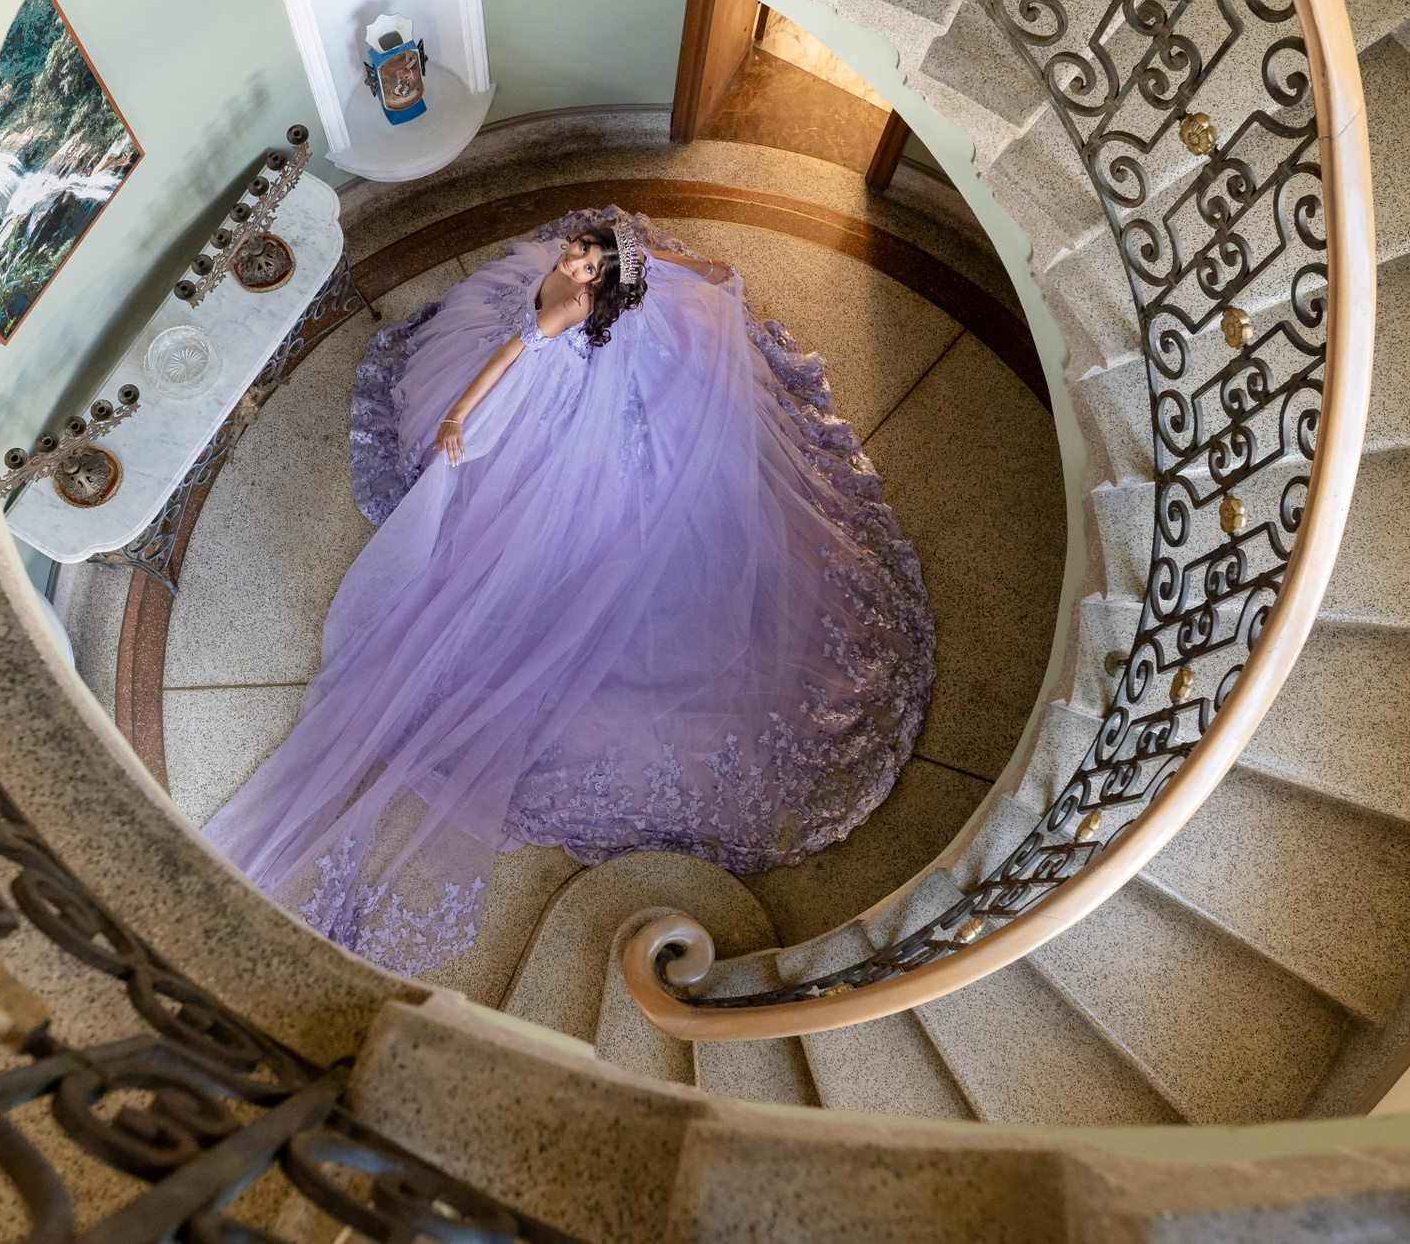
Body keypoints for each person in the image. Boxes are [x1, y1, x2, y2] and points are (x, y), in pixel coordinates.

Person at [204, 206, 935, 976]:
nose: (577, 259)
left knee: (554, 516)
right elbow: (654, 267)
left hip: (542, 388)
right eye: (583, 252)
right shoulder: (600, 269)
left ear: (597, 285)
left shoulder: (565, 308)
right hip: (572, 367)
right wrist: (703, 274)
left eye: (588, 264)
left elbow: (505, 362)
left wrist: (458, 417)